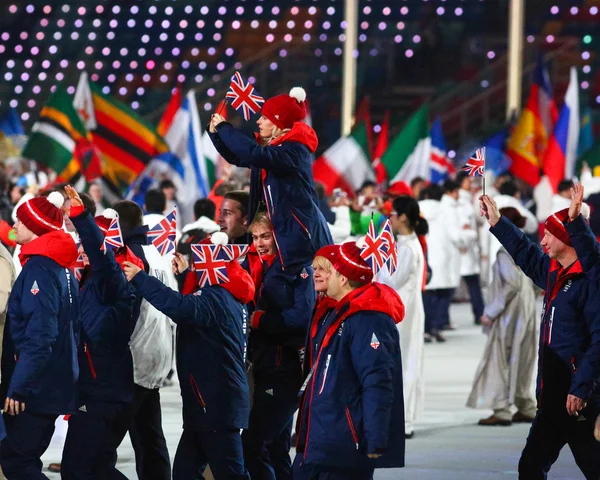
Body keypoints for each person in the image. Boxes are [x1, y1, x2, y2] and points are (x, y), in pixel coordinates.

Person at [480, 194, 600, 479]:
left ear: (567, 240)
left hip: (578, 399)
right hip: (551, 396)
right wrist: (497, 221)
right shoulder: (553, 271)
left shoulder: (590, 282)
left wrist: (582, 388)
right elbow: (524, 250)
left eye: (549, 235)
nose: (543, 241)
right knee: (530, 467)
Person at [122, 236, 255, 480]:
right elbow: (195, 307)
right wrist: (185, 277)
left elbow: (181, 307)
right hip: (207, 404)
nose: (194, 266)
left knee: (231, 474)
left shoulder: (216, 299)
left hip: (215, 405)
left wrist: (141, 278)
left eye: (197, 262)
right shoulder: (228, 295)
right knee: (185, 473)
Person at [294, 242, 405, 480]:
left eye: (325, 270)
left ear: (343, 278)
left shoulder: (368, 318)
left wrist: (375, 438)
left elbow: (377, 380)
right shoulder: (332, 311)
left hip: (345, 446)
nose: (317, 274)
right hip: (322, 439)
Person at [61, 187, 140, 478]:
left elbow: (103, 257)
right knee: (98, 469)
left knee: (76, 470)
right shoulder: (91, 283)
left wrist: (82, 218)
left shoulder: (113, 283)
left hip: (102, 394)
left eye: (86, 244)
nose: (81, 248)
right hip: (101, 390)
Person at [0, 192, 79, 479]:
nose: (15, 223)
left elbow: (40, 335)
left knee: (17, 461)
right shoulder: (61, 266)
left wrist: (19, 387)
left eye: (22, 219)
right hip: (53, 381)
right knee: (21, 458)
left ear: (36, 226)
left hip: (37, 388)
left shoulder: (40, 270)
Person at [209, 86, 332, 268]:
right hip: (279, 240)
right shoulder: (274, 151)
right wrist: (216, 134)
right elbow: (238, 156)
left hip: (299, 243)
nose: (258, 121)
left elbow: (254, 153)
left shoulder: (294, 150)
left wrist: (224, 128)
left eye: (265, 118)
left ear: (278, 123)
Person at [243, 211, 315, 480]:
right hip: (265, 365)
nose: (259, 243)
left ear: (279, 236)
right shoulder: (264, 266)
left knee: (253, 445)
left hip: (284, 368)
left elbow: (302, 316)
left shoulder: (298, 268)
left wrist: (262, 320)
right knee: (276, 449)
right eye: (255, 237)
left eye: (265, 236)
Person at [112, 200, 175, 480]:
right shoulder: (159, 254)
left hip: (135, 356)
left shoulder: (131, 256)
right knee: (150, 437)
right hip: (158, 352)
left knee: (99, 444)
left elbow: (125, 309)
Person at [466, 207, 538, 426]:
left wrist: (490, 312)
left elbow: (511, 284)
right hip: (527, 308)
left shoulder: (505, 252)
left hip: (510, 313)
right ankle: (526, 406)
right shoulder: (527, 247)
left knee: (502, 358)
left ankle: (502, 409)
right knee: (523, 358)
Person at [377, 196, 426, 439]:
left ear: (403, 217)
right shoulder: (406, 243)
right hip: (404, 309)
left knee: (406, 361)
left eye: (393, 214)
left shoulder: (407, 247)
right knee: (403, 361)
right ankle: (401, 417)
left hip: (405, 311)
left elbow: (393, 279)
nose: (390, 219)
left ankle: (405, 420)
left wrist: (379, 262)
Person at [456, 172, 484, 325]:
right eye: (468, 181)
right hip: (466, 247)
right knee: (472, 283)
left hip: (469, 246)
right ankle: (479, 314)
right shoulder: (461, 201)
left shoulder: (467, 200)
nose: (471, 183)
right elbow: (463, 224)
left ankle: (441, 319)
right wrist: (464, 242)